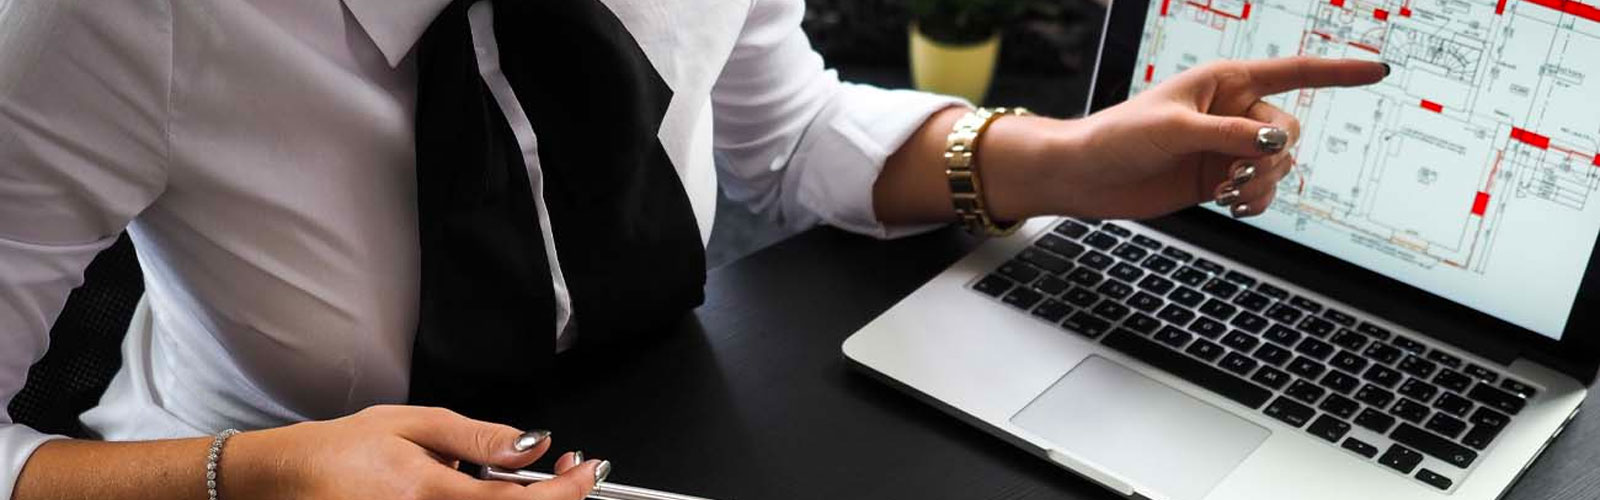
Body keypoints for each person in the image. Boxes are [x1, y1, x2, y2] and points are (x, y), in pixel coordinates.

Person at [0, 0, 1386, 498]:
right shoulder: (105, 18)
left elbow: (778, 134)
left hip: (657, 423)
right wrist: (266, 477)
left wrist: (1056, 161)